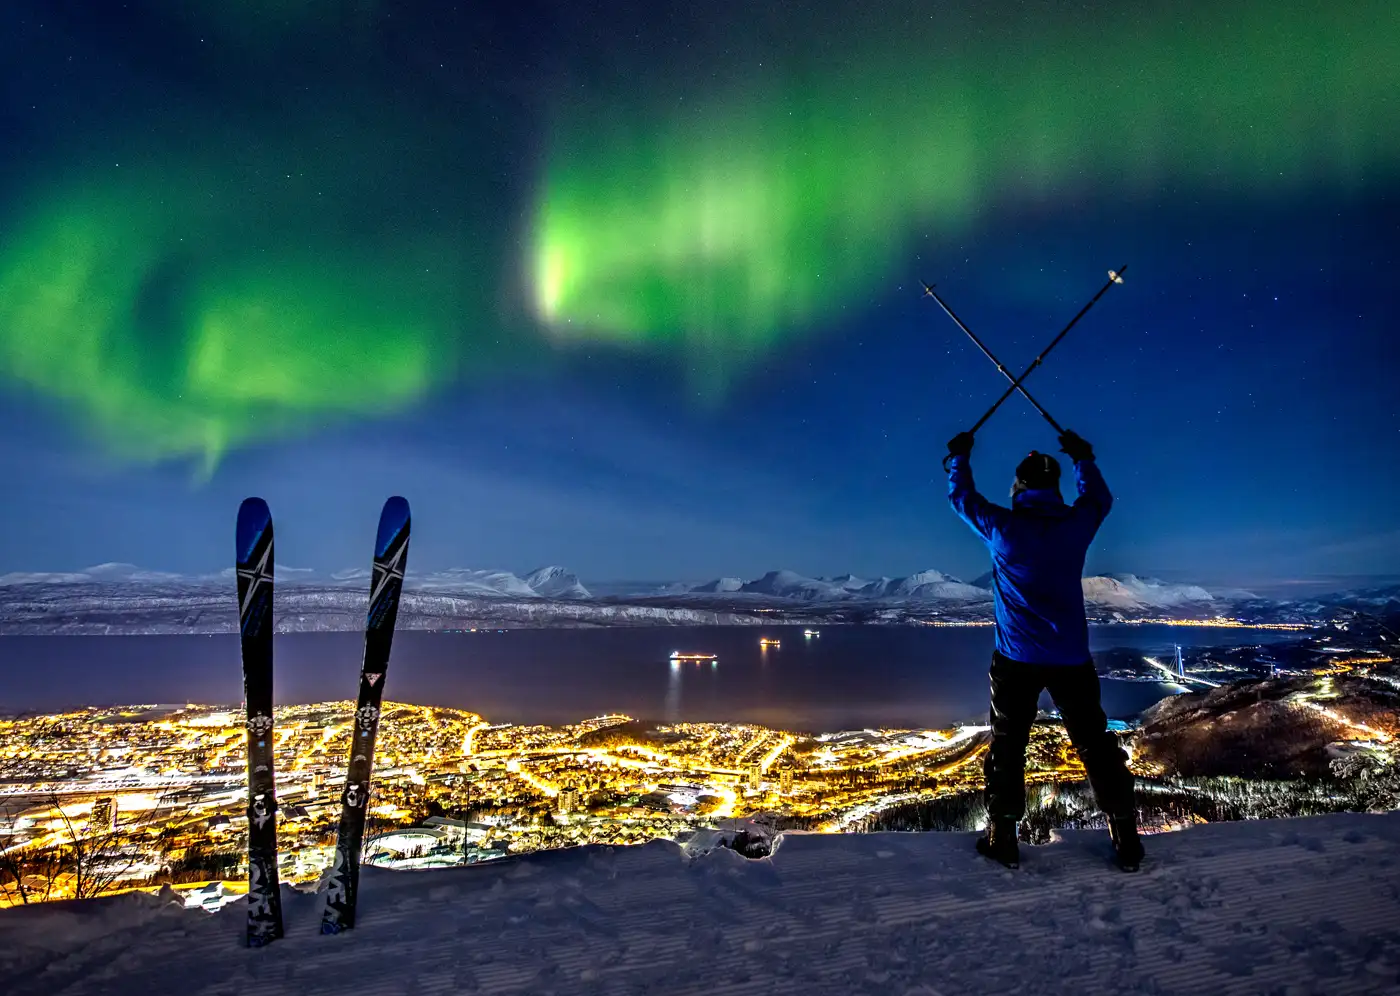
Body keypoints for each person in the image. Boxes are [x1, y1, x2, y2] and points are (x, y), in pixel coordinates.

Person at [944, 428, 1143, 872]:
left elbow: (962, 499)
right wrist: (1083, 458)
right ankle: (1126, 836)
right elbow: (1098, 500)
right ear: (1054, 488)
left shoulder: (1004, 528)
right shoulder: (1076, 527)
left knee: (1009, 744)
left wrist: (959, 457)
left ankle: (1003, 837)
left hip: (1016, 659)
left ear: (1019, 487)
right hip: (1071, 658)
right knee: (1094, 743)